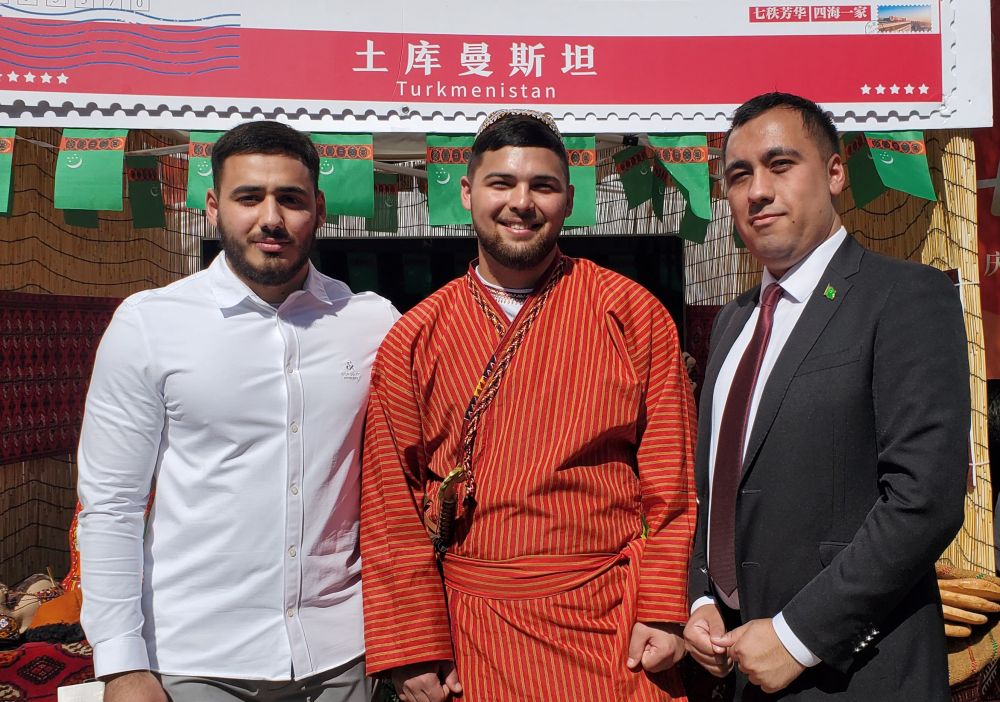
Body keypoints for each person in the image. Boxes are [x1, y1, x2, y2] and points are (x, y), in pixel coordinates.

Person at [359, 110, 697, 702]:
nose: (522, 202)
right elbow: (392, 505)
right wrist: (414, 644)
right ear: (467, 193)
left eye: (543, 186)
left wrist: (664, 606)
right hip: (475, 630)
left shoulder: (632, 313)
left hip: (612, 622)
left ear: (570, 199)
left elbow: (674, 478)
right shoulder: (415, 336)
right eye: (502, 183)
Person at [77, 120, 397, 702]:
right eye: (249, 197)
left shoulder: (371, 322)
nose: (270, 218)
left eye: (290, 199)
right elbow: (111, 503)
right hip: (197, 659)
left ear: (319, 209)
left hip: (341, 653)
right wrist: (121, 663)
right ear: (212, 207)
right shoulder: (150, 324)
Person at [683, 92, 970, 700]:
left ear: (836, 172)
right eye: (739, 175)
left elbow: (925, 500)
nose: (758, 191)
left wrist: (797, 636)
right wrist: (703, 595)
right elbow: (718, 486)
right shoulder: (734, 322)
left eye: (780, 165)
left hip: (856, 673)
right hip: (738, 665)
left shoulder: (904, 296)